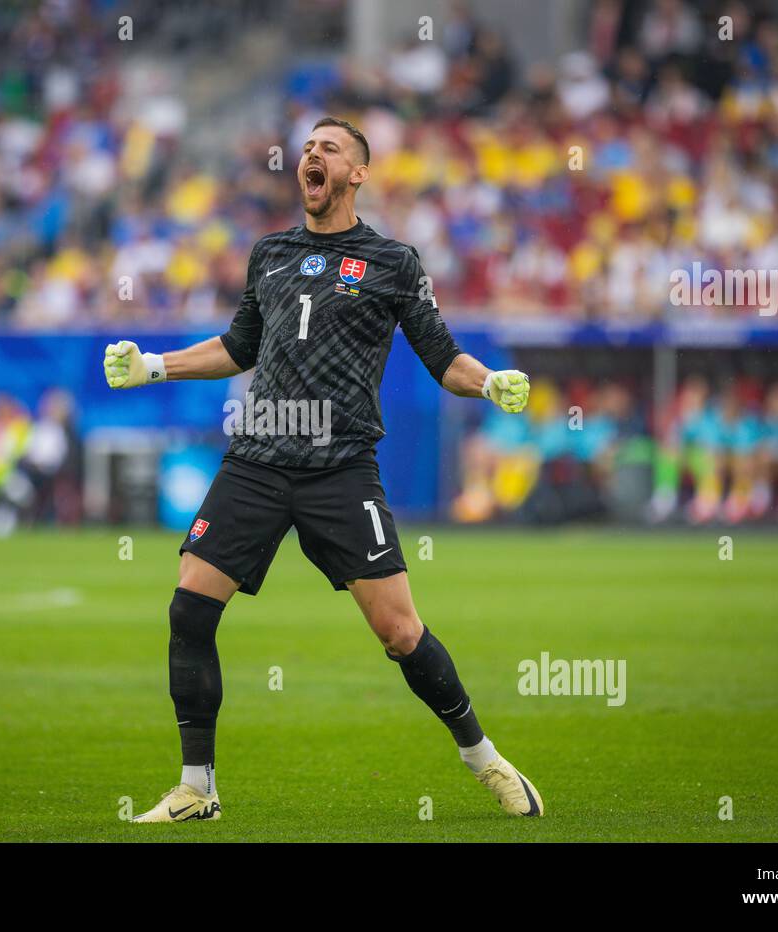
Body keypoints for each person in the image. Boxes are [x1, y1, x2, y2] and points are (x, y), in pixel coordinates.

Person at [103, 117, 541, 823]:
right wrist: (154, 365)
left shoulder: (393, 261)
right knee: (189, 604)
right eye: (308, 147)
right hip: (259, 457)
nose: (312, 155)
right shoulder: (269, 253)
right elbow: (240, 347)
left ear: (358, 173)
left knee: (400, 633)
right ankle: (197, 788)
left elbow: (443, 358)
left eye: (329, 148)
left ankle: (482, 758)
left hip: (340, 466)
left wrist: (490, 383)